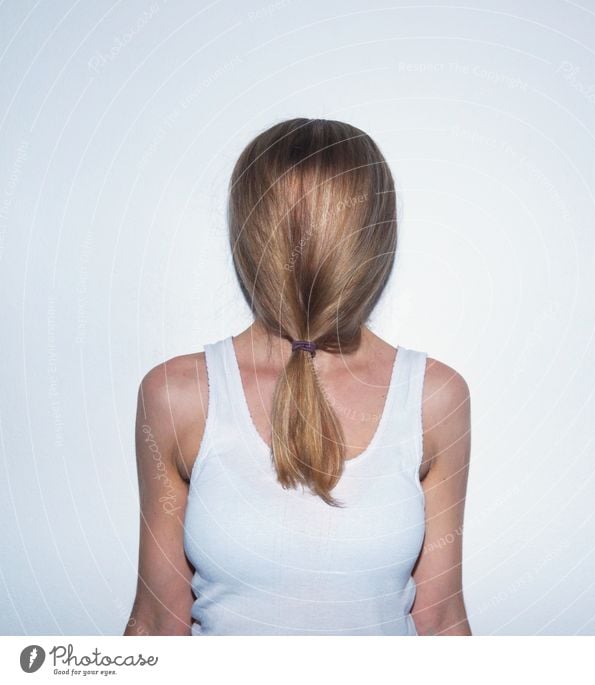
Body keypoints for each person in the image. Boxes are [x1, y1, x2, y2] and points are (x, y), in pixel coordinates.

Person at [124, 118, 471, 636]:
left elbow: (441, 619)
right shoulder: (178, 395)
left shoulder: (433, 396)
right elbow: (155, 622)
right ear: (380, 232)